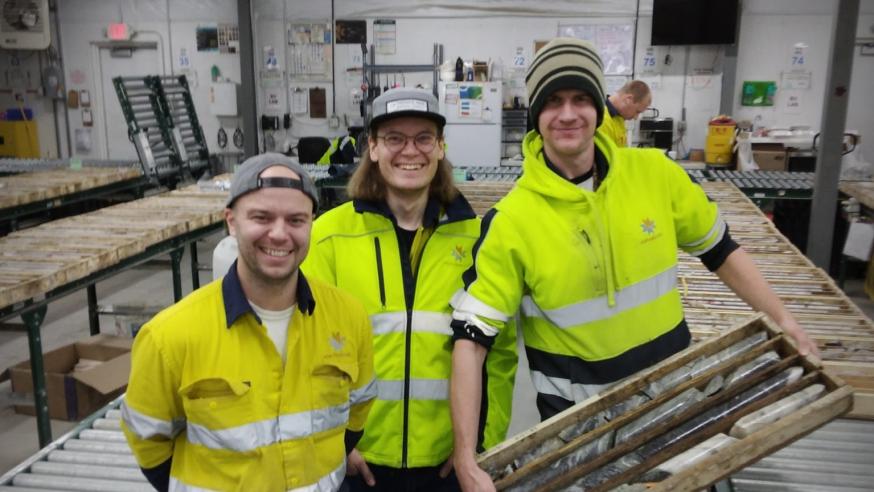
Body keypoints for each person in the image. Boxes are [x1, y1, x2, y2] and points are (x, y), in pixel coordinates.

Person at [448, 38, 818, 491]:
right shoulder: (511, 222)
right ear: (535, 116)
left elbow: (721, 250)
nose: (568, 114)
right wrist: (466, 456)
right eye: (553, 101)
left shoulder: (655, 174)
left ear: (600, 109)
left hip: (671, 407)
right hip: (577, 434)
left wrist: (783, 319)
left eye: (581, 98)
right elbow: (472, 341)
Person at [121, 153, 377, 491]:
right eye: (261, 217)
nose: (279, 234)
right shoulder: (169, 337)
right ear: (231, 221)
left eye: (296, 220)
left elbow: (355, 416)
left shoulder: (348, 318)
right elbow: (149, 444)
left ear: (312, 223)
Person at [303, 88, 517, 492]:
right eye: (394, 138)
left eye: (423, 138)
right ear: (373, 147)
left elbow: (500, 355)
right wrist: (334, 442)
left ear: (440, 148)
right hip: (358, 462)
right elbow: (305, 346)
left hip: (445, 463)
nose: (409, 151)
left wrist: (477, 447)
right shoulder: (329, 236)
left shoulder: (475, 240)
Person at [598, 79, 652, 147]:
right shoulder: (602, 120)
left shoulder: (618, 118)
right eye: (637, 111)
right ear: (628, 99)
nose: (636, 117)